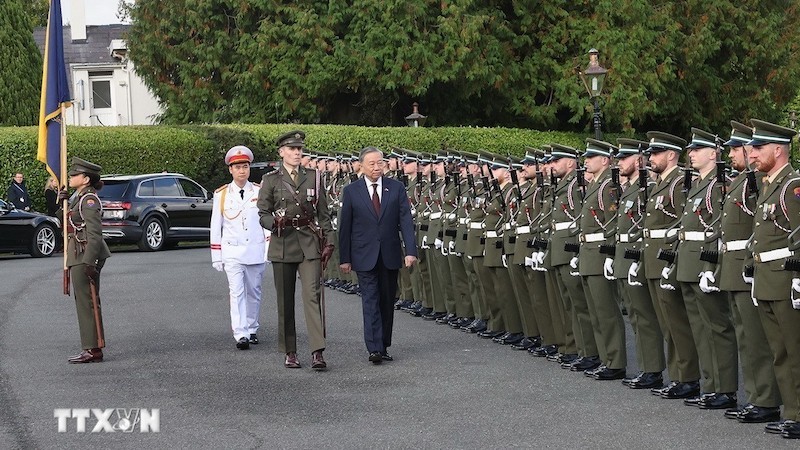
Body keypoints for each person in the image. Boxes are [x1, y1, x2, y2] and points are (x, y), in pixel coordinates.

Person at [257, 130, 335, 370]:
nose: (297, 152)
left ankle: (317, 351)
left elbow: (324, 214)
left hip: (309, 243)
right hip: (282, 243)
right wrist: (273, 223)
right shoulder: (271, 180)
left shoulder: (314, 177)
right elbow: (262, 213)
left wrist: (329, 240)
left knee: (312, 296)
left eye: (299, 149)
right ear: (281, 152)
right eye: (292, 149)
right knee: (285, 300)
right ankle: (290, 351)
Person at [746, 119, 800, 440]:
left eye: (759, 148)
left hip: (786, 278)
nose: (752, 154)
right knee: (780, 351)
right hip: (767, 277)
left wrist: (798, 279)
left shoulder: (792, 186)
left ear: (777, 150)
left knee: (795, 349)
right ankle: (792, 411)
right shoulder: (768, 184)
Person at [338, 146, 417, 364]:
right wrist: (345, 258)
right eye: (371, 164)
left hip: (390, 253)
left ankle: (383, 344)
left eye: (380, 163)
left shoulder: (396, 188)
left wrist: (410, 251)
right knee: (370, 300)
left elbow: (406, 221)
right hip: (364, 254)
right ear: (361, 166)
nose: (376, 167)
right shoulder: (352, 191)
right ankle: (374, 348)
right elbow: (345, 227)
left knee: (386, 300)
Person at [210, 146, 266, 351]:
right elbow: (216, 226)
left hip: (255, 250)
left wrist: (268, 249)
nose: (242, 171)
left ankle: (252, 328)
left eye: (245, 166)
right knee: (236, 292)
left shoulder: (260, 192)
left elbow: (265, 224)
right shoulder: (222, 194)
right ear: (230, 170)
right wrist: (217, 255)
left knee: (254, 291)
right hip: (232, 251)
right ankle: (240, 333)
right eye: (238, 167)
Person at [58, 158, 112, 363]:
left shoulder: (89, 200)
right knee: (84, 301)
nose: (71, 178)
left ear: (85, 179)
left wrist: (90, 262)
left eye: (74, 175)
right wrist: (61, 202)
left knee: (87, 301)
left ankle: (94, 349)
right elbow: (68, 222)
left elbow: (95, 234)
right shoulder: (77, 198)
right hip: (78, 253)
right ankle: (90, 346)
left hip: (85, 254)